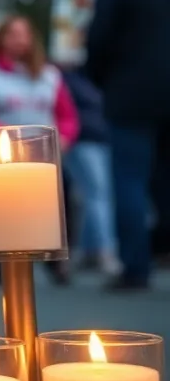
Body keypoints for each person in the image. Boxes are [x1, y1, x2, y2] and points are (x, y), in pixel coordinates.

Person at [85, 0, 170, 291]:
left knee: (130, 182)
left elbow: (98, 45)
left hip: (131, 99)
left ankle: (136, 267)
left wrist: (102, 81)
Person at [0, 15, 79, 284]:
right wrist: (6, 132)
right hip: (3, 156)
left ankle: (56, 262)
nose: (19, 40)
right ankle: (0, 262)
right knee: (1, 209)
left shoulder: (50, 76)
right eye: (13, 34)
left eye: (24, 34)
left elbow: (67, 115)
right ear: (1, 39)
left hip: (45, 157)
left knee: (63, 202)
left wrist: (64, 137)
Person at [61, 67, 120, 275]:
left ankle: (87, 251)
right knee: (98, 194)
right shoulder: (67, 76)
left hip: (103, 138)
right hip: (83, 139)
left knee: (91, 196)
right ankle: (106, 251)